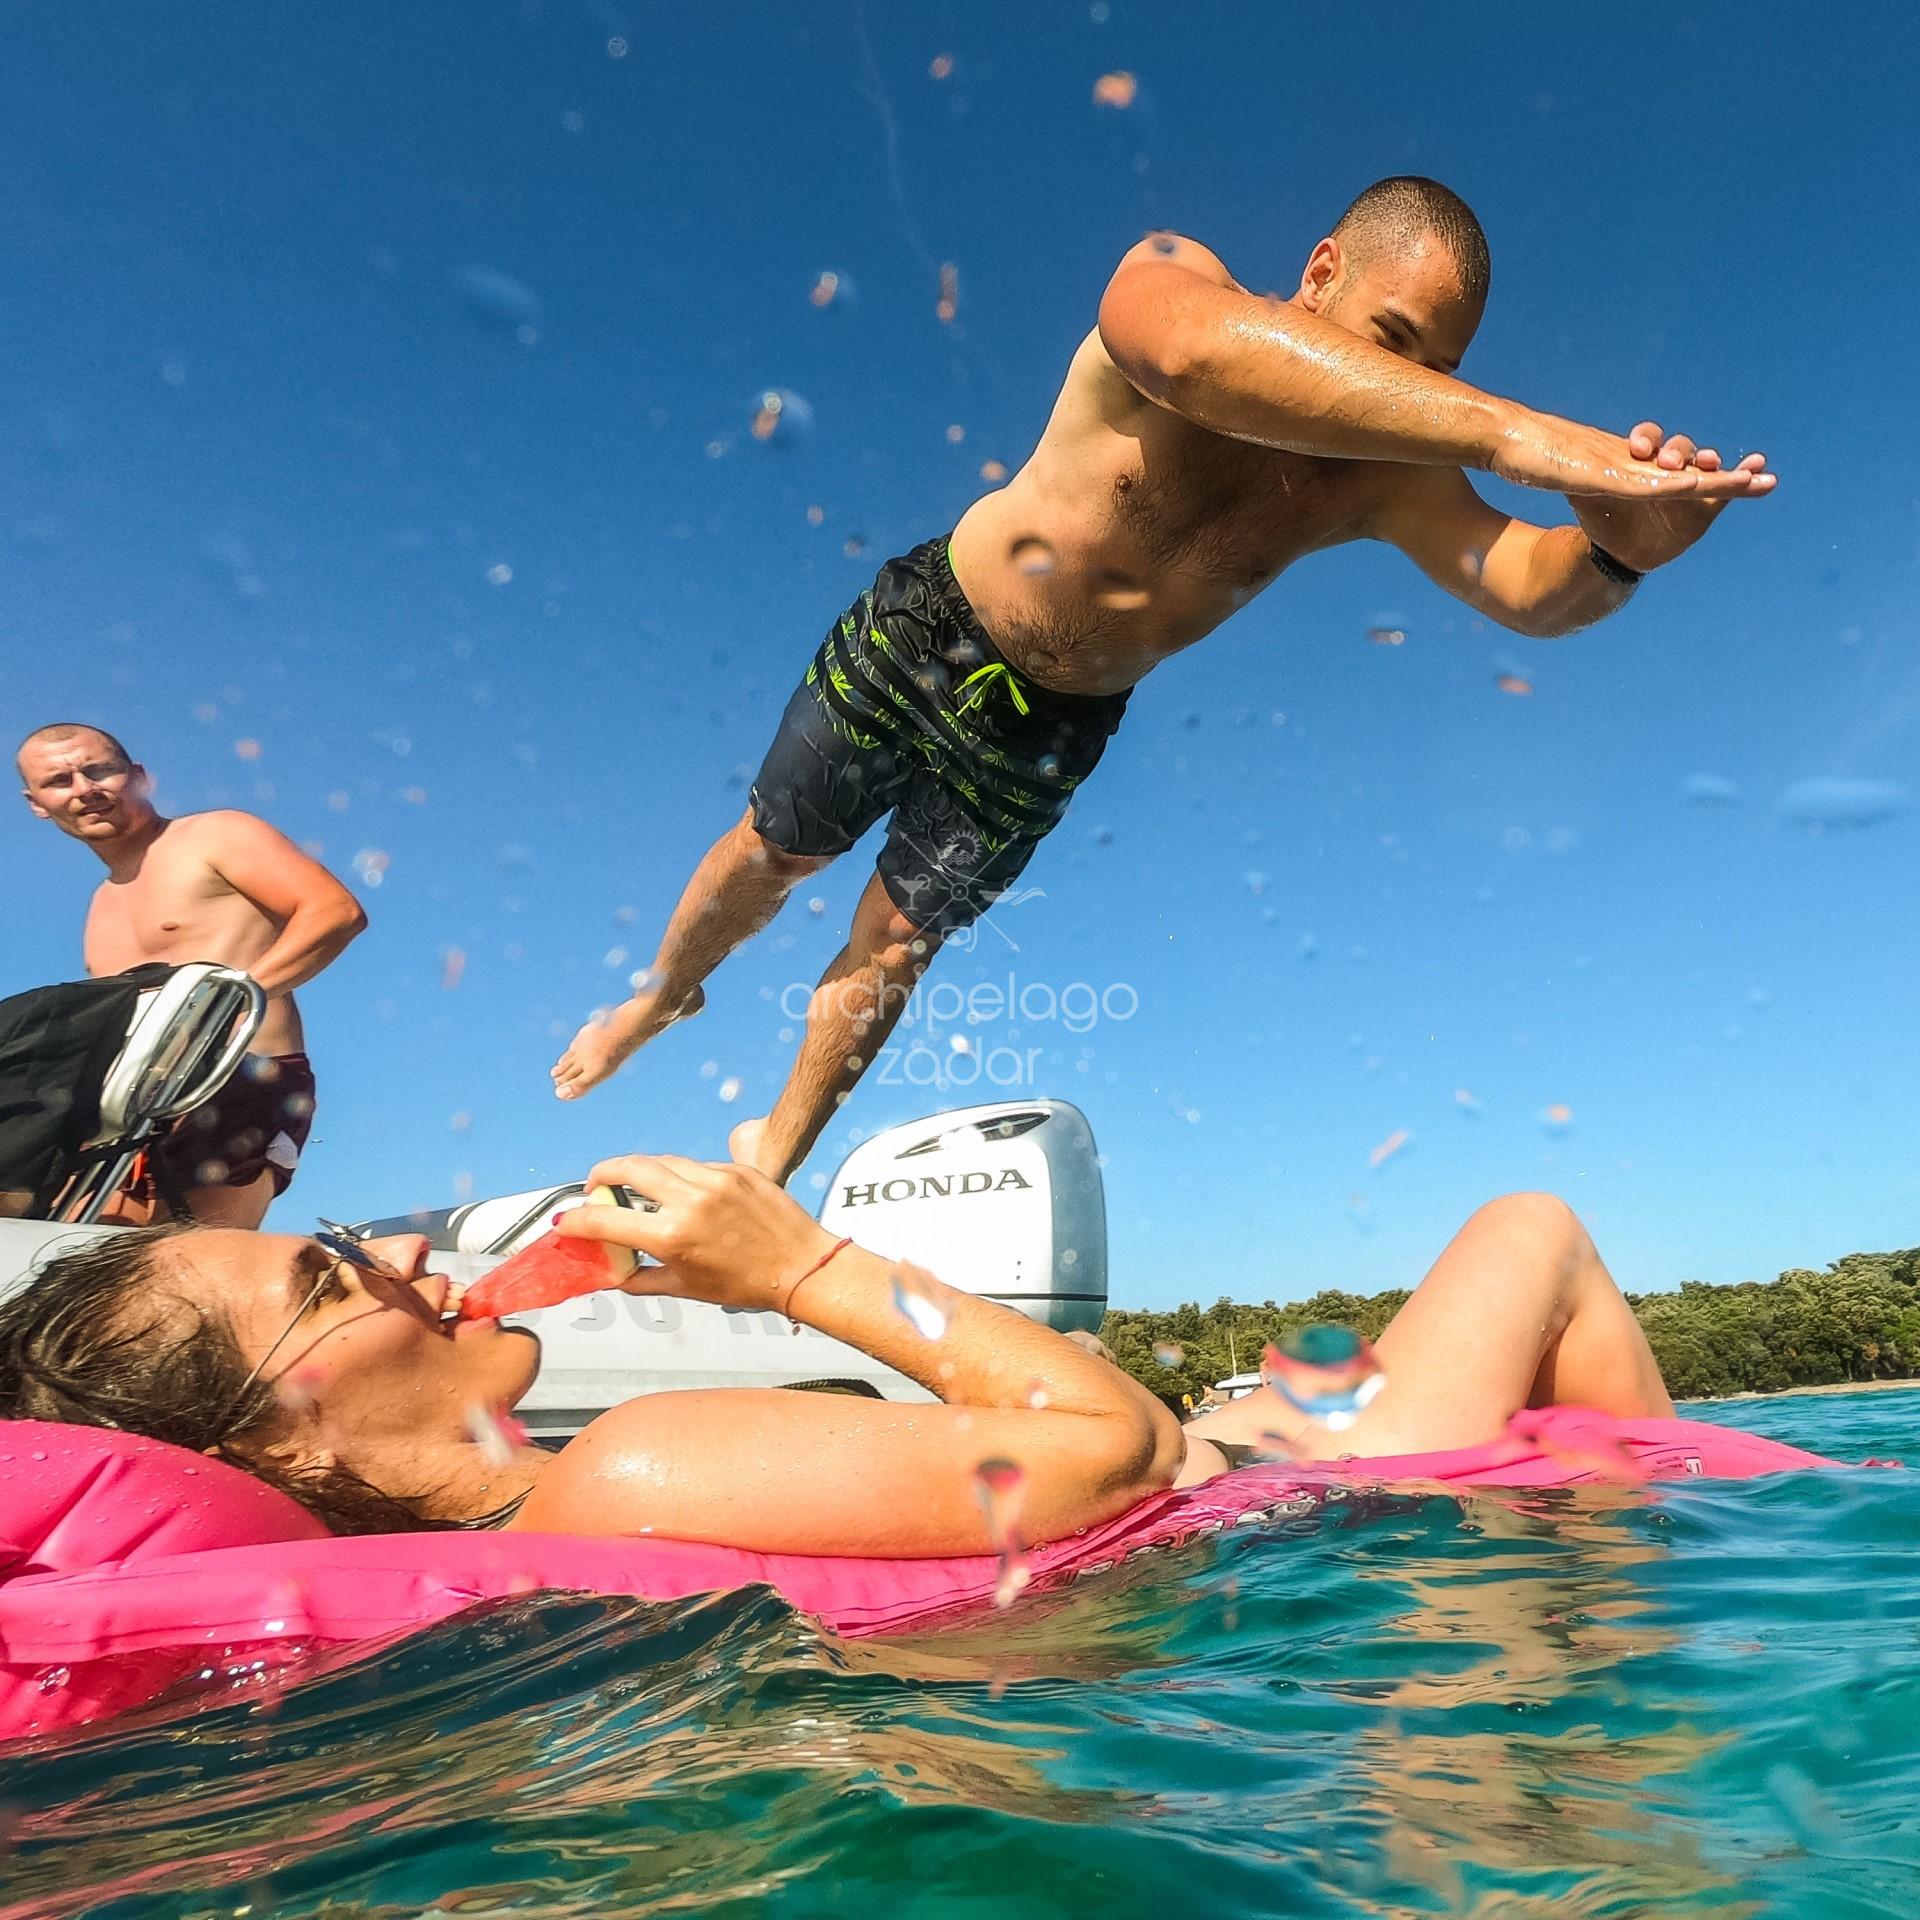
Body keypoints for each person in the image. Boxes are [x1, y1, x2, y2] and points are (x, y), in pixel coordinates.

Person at [550, 176, 1775, 1187]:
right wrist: (1513, 431)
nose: (1415, 391)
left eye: (1439, 370)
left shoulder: (1381, 477)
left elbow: (1524, 588)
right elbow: (1187, 355)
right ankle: (662, 994)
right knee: (774, 855)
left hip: (1061, 724)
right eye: (1398, 347)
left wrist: (1624, 548)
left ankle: (769, 1166)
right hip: (938, 621)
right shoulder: (1179, 270)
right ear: (1322, 268)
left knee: (895, 947)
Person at [0, 1164, 1672, 1551]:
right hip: (1307, 1507)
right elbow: (1125, 1457)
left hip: (1253, 1448)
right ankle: (1629, 1567)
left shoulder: (585, 1505)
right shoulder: (630, 1472)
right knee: (1531, 1230)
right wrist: (806, 1265)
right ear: (280, 1444)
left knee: (1302, 1347)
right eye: (334, 1274)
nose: (410, 1256)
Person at [17, 723, 368, 1228]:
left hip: (243, 1079)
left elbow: (334, 912)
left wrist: (224, 1003)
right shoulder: (99, 906)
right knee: (84, 1261)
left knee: (189, 1269)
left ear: (138, 777)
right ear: (37, 803)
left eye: (99, 771)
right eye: (60, 781)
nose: (84, 790)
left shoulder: (215, 834)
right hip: (133, 1105)